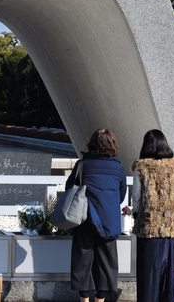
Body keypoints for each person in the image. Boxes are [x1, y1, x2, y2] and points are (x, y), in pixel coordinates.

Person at [66, 128, 127, 302]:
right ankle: (100, 299)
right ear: (113, 145)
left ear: (92, 144)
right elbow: (121, 196)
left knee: (82, 258)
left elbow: (69, 188)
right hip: (108, 220)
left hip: (85, 218)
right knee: (106, 261)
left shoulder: (82, 165)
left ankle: (83, 298)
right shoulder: (118, 167)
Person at [131, 129, 174, 302]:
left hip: (148, 229)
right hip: (168, 229)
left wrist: (136, 214)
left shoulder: (140, 167)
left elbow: (137, 198)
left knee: (148, 276)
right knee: (167, 276)